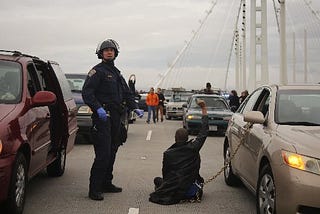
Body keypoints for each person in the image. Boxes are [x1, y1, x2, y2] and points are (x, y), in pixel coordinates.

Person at [82, 39, 144, 201]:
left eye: (112, 50)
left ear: (116, 53)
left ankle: (106, 183)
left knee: (112, 151)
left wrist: (135, 106)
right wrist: (98, 108)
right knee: (103, 154)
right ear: (100, 54)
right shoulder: (97, 72)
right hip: (103, 118)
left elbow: (126, 93)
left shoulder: (116, 73)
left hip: (116, 118)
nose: (109, 52)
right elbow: (87, 93)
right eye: (106, 50)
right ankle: (94, 188)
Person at [149, 99, 208, 205]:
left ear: (175, 138)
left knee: (157, 180)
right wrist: (203, 108)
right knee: (199, 183)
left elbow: (166, 173)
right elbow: (204, 132)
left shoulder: (168, 153)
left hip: (173, 186)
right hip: (189, 187)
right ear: (187, 138)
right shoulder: (193, 148)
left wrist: (166, 185)